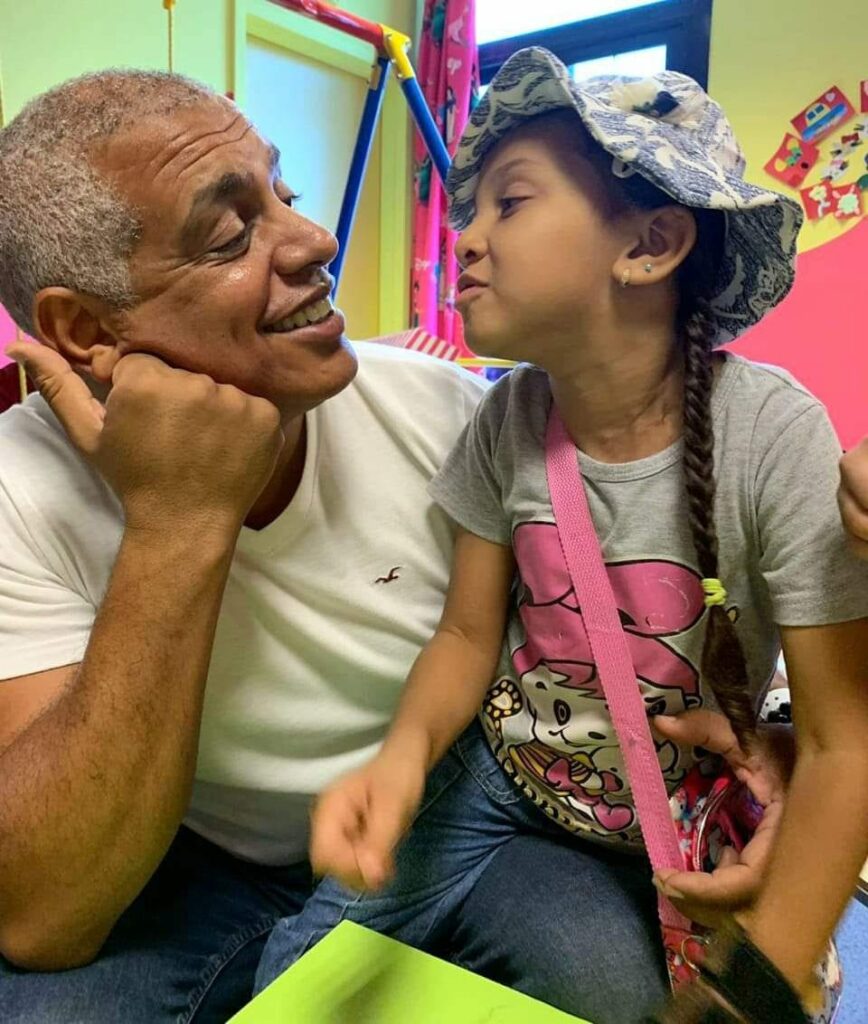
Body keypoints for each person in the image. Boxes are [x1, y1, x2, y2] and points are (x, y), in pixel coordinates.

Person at [0, 67, 774, 1024]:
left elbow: (648, 620)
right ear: (84, 330)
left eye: (284, 194)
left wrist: (772, 745)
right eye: (230, 234)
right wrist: (177, 519)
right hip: (194, 861)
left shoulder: (446, 412)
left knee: (609, 991)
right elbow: (43, 920)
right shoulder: (19, 487)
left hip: (466, 809)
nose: (315, 240)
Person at [258, 49, 868, 1023]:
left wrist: (752, 989)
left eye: (511, 202)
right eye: (472, 211)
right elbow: (467, 634)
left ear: (651, 245)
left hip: (667, 813)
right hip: (495, 778)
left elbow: (843, 746)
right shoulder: (506, 418)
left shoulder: (772, 434)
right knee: (299, 971)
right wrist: (401, 759)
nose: (466, 238)